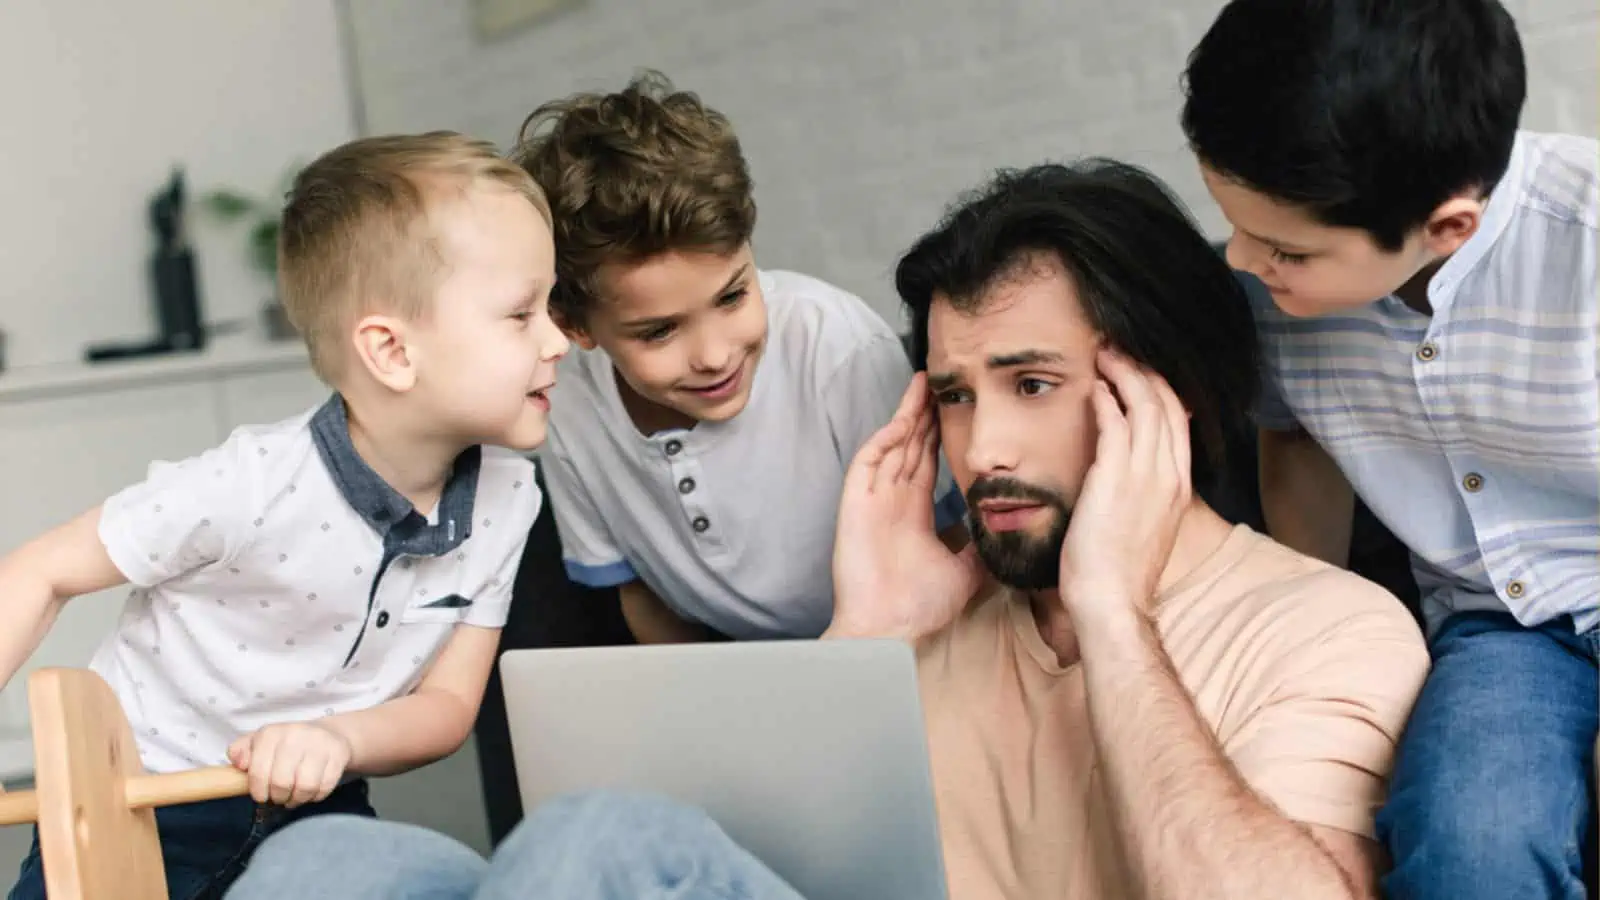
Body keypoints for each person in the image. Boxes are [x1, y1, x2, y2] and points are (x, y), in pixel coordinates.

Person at [225, 160, 1428, 900]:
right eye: (954, 395)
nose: (984, 449)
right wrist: (863, 636)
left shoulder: (1323, 628)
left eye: (1033, 384)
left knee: (594, 841)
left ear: (1168, 396)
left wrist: (1112, 616)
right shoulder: (936, 618)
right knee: (322, 868)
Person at [1, 131, 569, 899]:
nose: (559, 340)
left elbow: (445, 708)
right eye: (521, 314)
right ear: (392, 352)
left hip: (317, 809)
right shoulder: (247, 485)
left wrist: (337, 739)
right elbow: (41, 572)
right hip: (138, 804)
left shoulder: (511, 496)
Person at [1181, 1, 1600, 895]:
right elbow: (1297, 440)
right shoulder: (1274, 291)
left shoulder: (1589, 240)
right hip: (1500, 632)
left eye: (1285, 248)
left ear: (1448, 226)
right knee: (1467, 855)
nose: (1241, 263)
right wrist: (1300, 636)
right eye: (1237, 226)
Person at [511, 71, 967, 644]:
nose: (716, 354)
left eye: (732, 296)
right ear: (573, 326)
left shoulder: (836, 345)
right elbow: (644, 601)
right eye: (659, 332)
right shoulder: (568, 402)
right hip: (742, 675)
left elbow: (948, 554)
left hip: (908, 651)